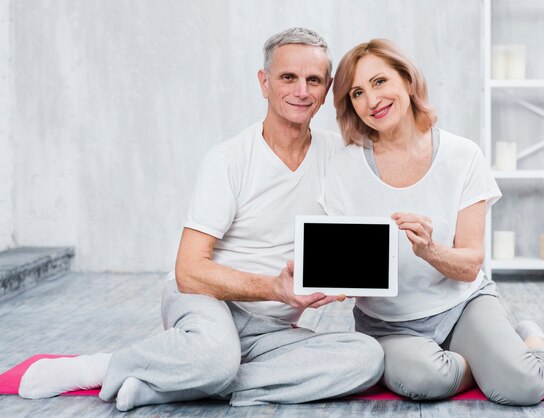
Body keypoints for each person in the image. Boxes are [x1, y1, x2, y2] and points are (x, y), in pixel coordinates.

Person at [18, 27, 384, 411]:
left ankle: (180, 381)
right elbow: (188, 271)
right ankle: (107, 366)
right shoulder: (228, 160)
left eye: (313, 80)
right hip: (207, 300)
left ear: (327, 89)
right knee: (214, 355)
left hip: (272, 330)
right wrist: (273, 288)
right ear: (264, 83)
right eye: (287, 77)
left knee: (366, 357)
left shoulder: (338, 155)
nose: (301, 91)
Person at [320, 38, 544, 406]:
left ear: (407, 80)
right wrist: (331, 281)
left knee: (523, 386)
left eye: (379, 82)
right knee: (426, 381)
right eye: (357, 92)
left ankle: (531, 340)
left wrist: (430, 250)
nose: (371, 100)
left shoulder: (462, 155)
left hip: (462, 306)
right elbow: (345, 270)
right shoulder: (343, 167)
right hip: (388, 325)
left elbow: (471, 264)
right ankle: (486, 362)